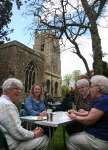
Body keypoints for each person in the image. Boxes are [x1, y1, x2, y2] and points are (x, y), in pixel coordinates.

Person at [0, 78, 49, 150]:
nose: (19, 91)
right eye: (16, 88)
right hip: (11, 144)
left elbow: (14, 130)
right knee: (45, 138)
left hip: (10, 138)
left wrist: (44, 112)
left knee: (46, 128)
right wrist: (34, 134)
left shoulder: (3, 101)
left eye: (20, 89)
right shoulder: (8, 105)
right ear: (7, 89)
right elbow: (17, 132)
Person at [67, 75, 108, 150]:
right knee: (71, 128)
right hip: (97, 134)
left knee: (70, 140)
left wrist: (75, 117)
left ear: (98, 88)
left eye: (91, 86)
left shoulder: (103, 100)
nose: (90, 89)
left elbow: (88, 120)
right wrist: (76, 113)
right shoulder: (101, 99)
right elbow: (90, 113)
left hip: (100, 138)